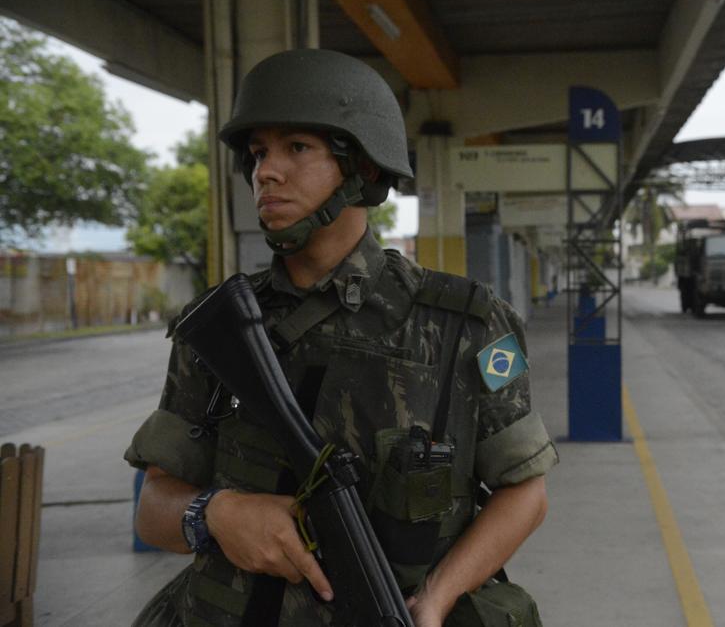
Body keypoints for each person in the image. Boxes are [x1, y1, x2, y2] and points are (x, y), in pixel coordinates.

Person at [125, 49, 558, 627]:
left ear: (364, 170)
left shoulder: (466, 323)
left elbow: (525, 493)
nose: (267, 172)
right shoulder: (221, 325)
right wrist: (216, 513)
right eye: (258, 153)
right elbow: (153, 509)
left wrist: (437, 599)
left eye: (296, 148)